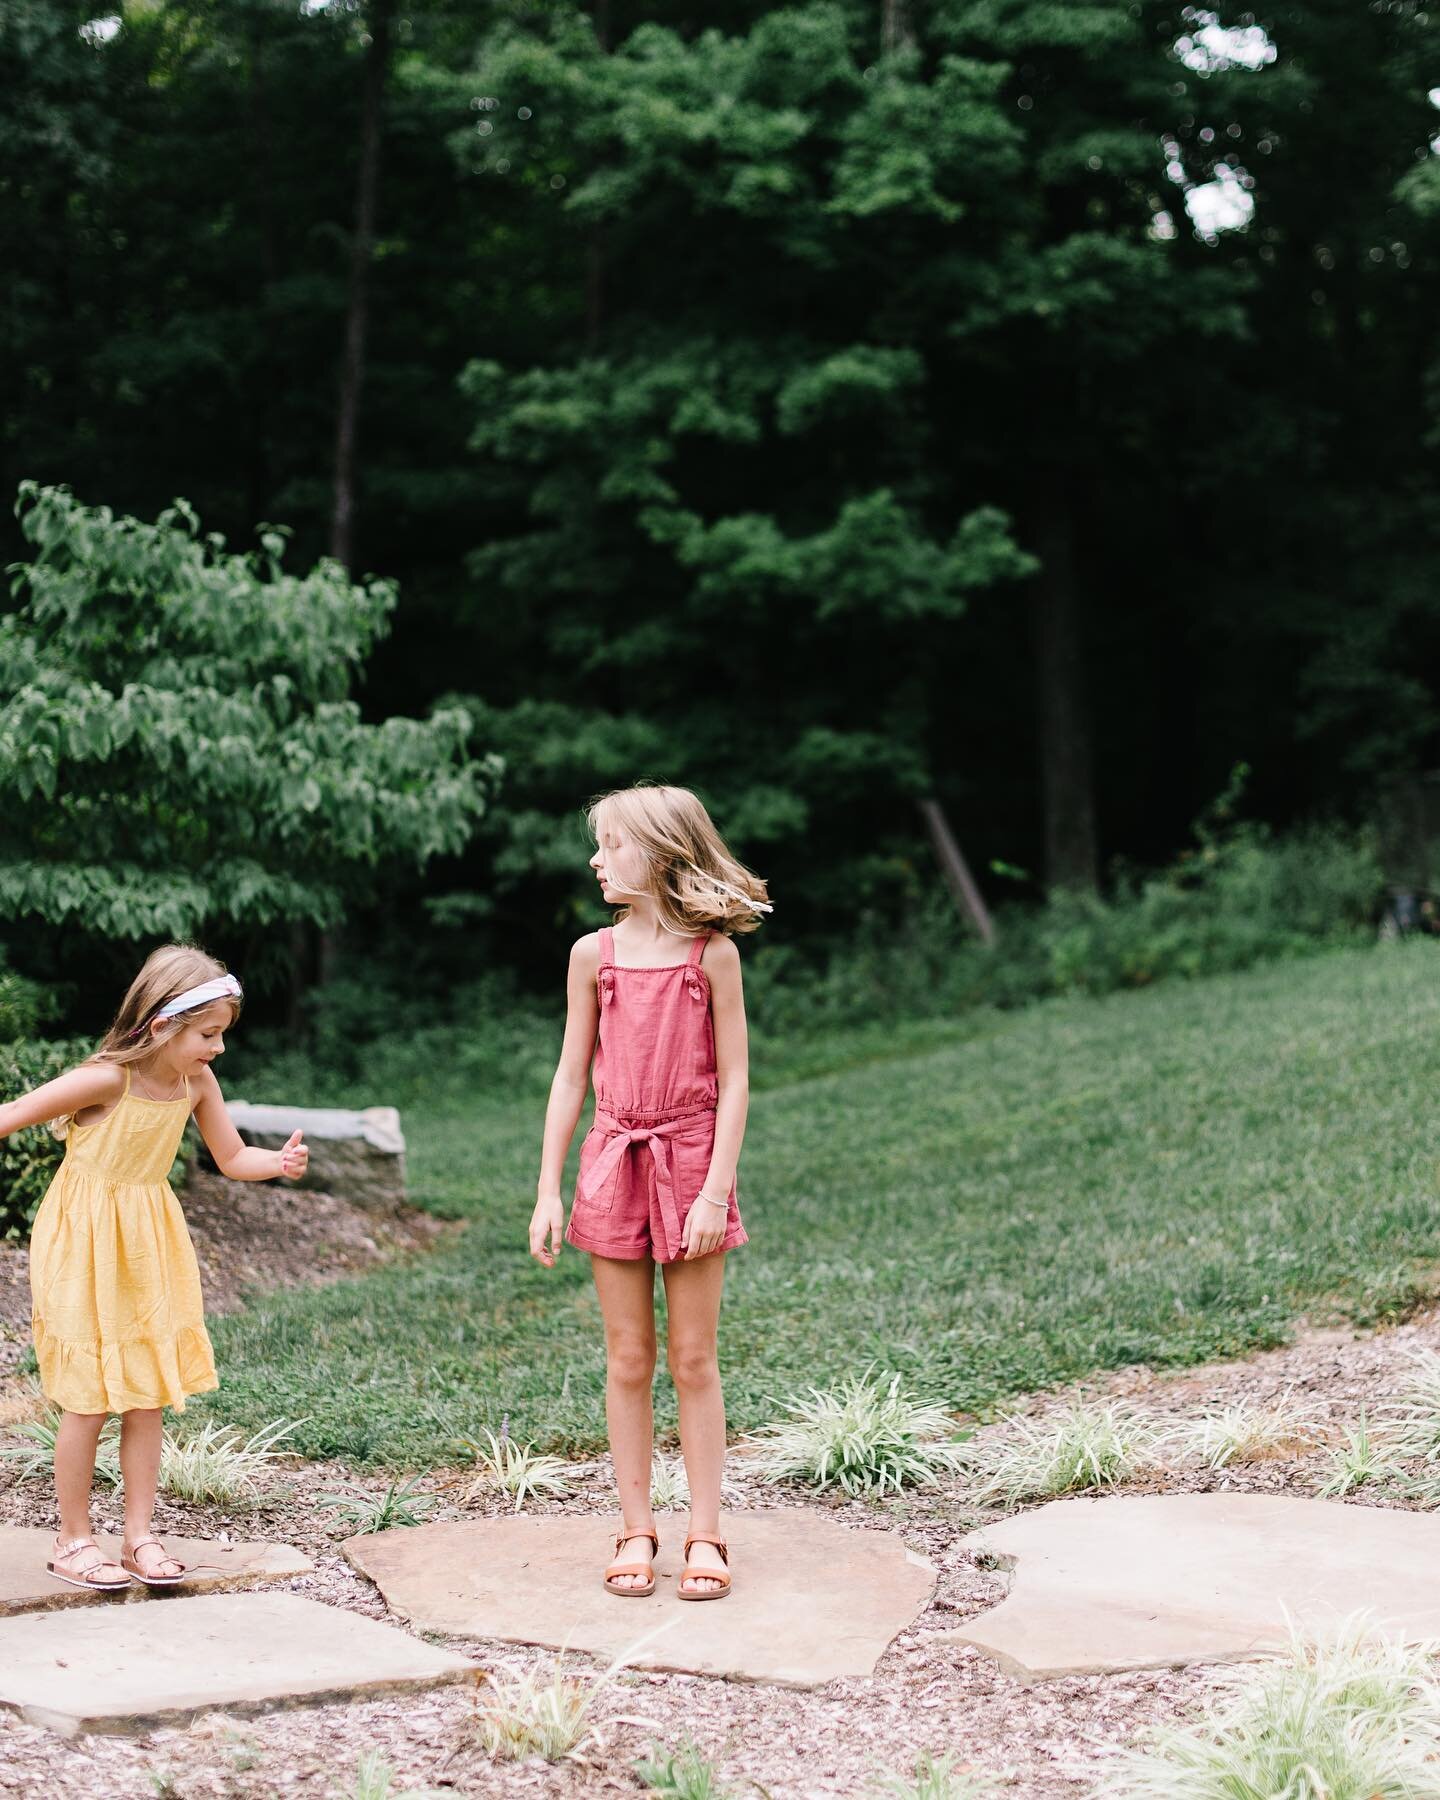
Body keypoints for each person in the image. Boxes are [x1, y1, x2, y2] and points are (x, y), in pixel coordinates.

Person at [4, 944, 308, 1591]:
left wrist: (276, 1165)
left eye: (221, 1035)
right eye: (209, 1034)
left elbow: (230, 1156)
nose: (218, 1049)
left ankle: (139, 1537)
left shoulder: (195, 1083)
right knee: (87, 1399)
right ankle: (73, 1538)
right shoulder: (106, 1079)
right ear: (163, 1024)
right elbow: (11, 1116)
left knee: (146, 1396)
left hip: (147, 1241)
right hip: (82, 1240)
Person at [530, 784, 769, 1602]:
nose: (597, 859)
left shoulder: (714, 957)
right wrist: (549, 1190)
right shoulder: (592, 956)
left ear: (662, 853)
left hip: (693, 1157)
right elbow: (570, 1078)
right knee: (629, 1357)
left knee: (693, 1358)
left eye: (612, 845)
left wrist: (714, 1190)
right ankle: (636, 1527)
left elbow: (736, 1081)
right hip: (613, 1161)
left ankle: (708, 1532)